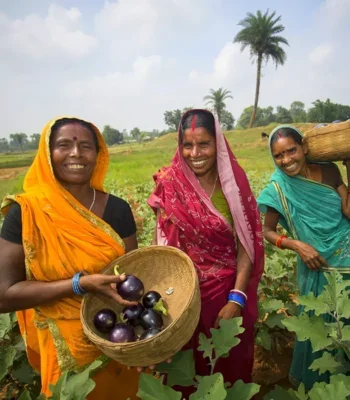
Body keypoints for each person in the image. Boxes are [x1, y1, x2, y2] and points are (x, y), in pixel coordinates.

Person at [0, 117, 141, 399]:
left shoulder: (117, 210)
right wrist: (79, 284)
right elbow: (4, 295)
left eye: (86, 146)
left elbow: (134, 279)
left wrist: (144, 338)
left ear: (98, 155)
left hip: (116, 341)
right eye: (63, 145)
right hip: (65, 352)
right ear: (47, 154)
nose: (76, 153)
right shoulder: (26, 212)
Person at [148, 109, 264, 396]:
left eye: (204, 144)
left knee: (229, 368)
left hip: (225, 295)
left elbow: (246, 247)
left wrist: (236, 300)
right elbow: (161, 248)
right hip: (182, 299)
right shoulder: (170, 184)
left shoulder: (233, 185)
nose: (195, 153)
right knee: (185, 373)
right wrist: (167, 305)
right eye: (187, 145)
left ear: (218, 144)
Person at [257, 124, 350, 390]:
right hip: (316, 267)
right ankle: (325, 390)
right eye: (278, 155)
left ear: (304, 148)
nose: (286, 160)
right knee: (322, 332)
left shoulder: (330, 170)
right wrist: (297, 245)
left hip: (348, 257)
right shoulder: (277, 189)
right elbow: (267, 231)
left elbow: (348, 211)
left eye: (291, 151)